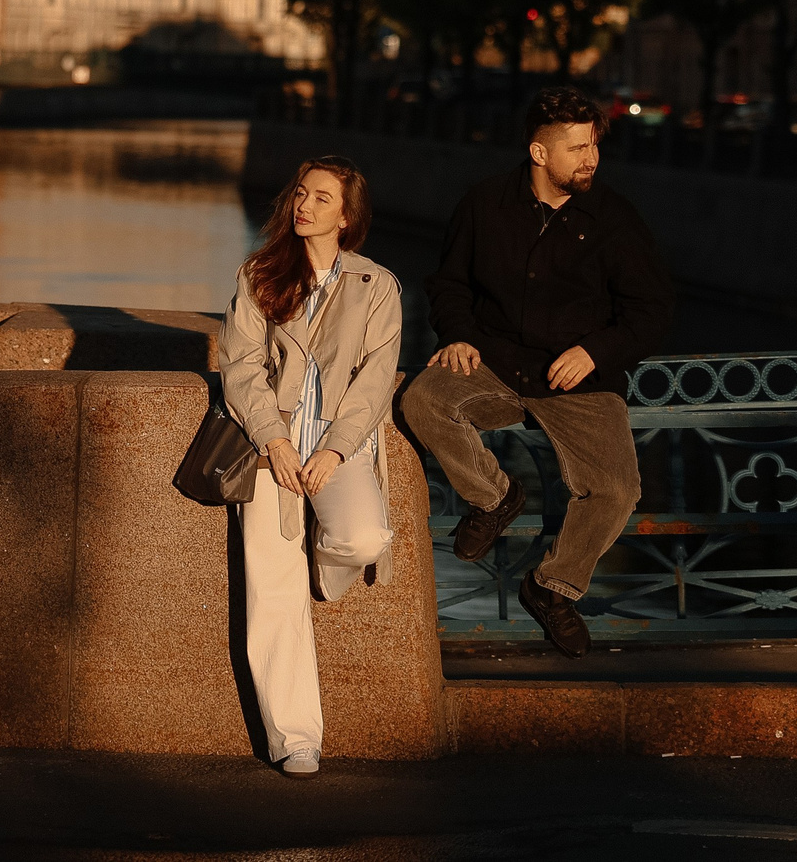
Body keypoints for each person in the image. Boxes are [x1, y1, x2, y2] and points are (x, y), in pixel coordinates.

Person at [398, 86, 672, 658]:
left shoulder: (616, 220)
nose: (590, 158)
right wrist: (459, 336)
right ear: (540, 153)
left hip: (580, 381)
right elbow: (449, 285)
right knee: (421, 400)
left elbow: (652, 312)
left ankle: (551, 588)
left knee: (618, 489)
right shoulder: (483, 204)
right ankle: (495, 496)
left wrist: (596, 351)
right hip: (495, 363)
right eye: (576, 148)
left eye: (593, 145)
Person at [220, 156, 403, 778]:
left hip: (337, 446)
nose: (305, 206)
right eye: (301, 193)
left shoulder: (377, 286)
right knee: (271, 590)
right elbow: (240, 365)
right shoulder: (260, 273)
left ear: (346, 216)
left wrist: (333, 450)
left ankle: (322, 572)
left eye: (323, 198)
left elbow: (376, 381)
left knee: (363, 536)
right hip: (272, 446)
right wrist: (273, 439)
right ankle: (295, 737)